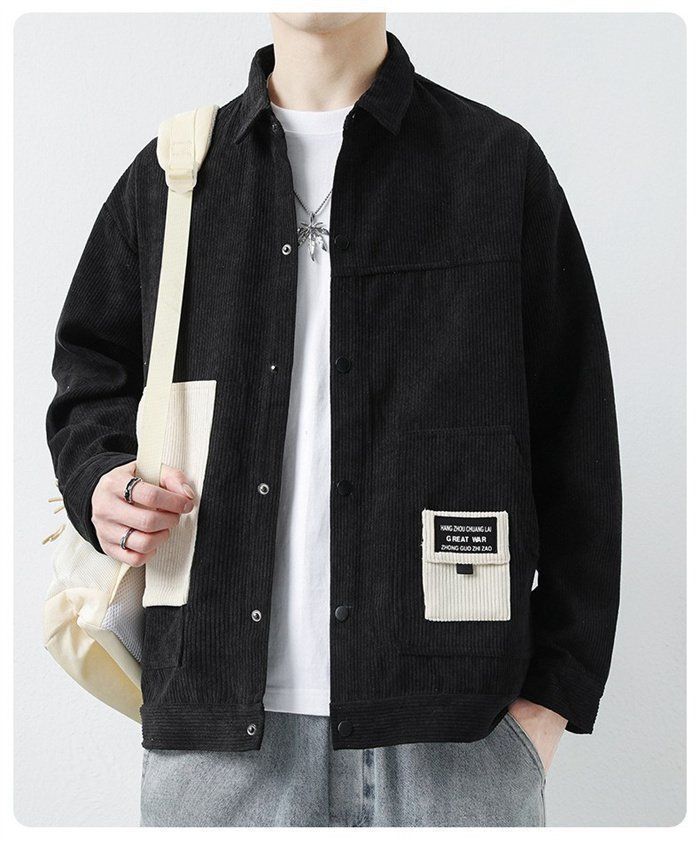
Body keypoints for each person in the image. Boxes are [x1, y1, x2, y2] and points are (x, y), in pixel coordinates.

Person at [46, 12, 622, 827]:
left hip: (459, 742)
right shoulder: (175, 176)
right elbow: (88, 377)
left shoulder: (496, 166)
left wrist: (552, 701)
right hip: (214, 742)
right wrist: (100, 481)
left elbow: (578, 437)